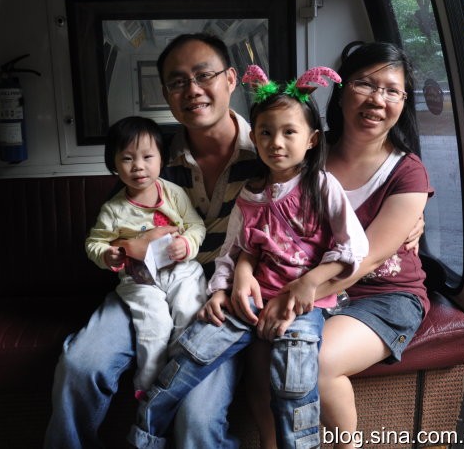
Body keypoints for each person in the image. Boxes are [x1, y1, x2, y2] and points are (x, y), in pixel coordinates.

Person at [126, 66, 369, 449]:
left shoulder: (322, 187)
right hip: (250, 300)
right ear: (253, 137)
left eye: (289, 132)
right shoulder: (250, 195)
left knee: (293, 383)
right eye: (266, 133)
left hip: (302, 306)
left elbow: (352, 247)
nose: (276, 142)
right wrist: (224, 289)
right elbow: (236, 249)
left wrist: (308, 283)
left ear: (311, 139)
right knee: (189, 357)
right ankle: (144, 438)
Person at [44, 32, 260, 449]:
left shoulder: (270, 152)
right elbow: (115, 231)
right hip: (144, 284)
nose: (192, 90)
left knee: (197, 421)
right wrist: (131, 247)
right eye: (178, 81)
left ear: (231, 79)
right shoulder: (152, 158)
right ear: (165, 94)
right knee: (80, 365)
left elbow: (302, 226)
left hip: (218, 300)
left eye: (204, 75)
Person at [255, 41, 434, 449]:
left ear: (403, 102)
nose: (377, 100)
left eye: (392, 91)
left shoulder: (407, 172)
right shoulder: (309, 155)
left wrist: (290, 298)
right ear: (341, 91)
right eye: (365, 84)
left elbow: (366, 259)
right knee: (261, 359)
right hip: (318, 293)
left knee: (315, 362)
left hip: (384, 296)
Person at [85, 116, 207, 394]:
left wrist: (187, 244)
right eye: (127, 158)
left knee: (188, 314)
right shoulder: (113, 210)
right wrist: (108, 254)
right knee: (155, 326)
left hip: (180, 270)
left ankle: (178, 374)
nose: (138, 166)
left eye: (147, 157)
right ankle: (148, 387)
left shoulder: (173, 193)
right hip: (140, 277)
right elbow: (94, 242)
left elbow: (195, 225)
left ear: (161, 159)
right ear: (114, 164)